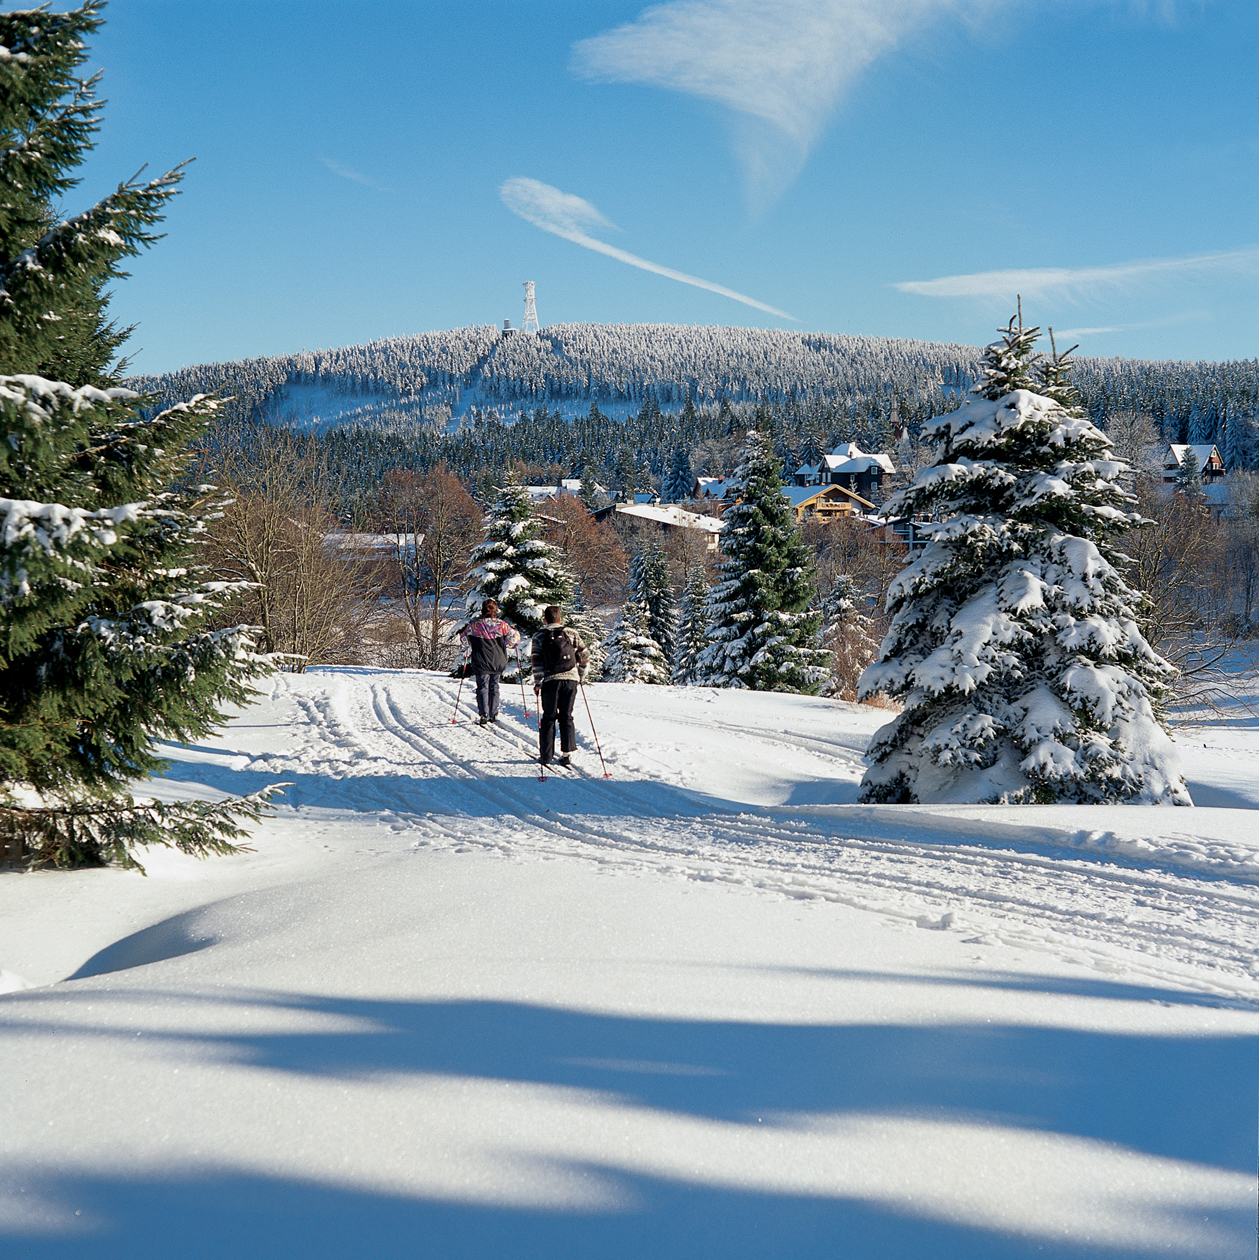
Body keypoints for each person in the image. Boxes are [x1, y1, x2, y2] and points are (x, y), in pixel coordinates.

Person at [530, 604, 590, 768]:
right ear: (560, 619)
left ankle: (546, 756)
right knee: (566, 715)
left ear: (545, 620)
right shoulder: (572, 633)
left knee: (548, 717)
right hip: (571, 680)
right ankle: (567, 754)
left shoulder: (539, 636)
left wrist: (538, 683)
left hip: (550, 680)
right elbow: (585, 657)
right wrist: (580, 676)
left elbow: (536, 662)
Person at [459, 599, 521, 726]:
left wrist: (472, 642)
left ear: (482, 610)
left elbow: (463, 639)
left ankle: (483, 714)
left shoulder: (475, 624)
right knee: (494, 686)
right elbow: (515, 638)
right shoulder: (502, 625)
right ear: (495, 611)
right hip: (498, 660)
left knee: (482, 687)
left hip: (481, 660)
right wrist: (506, 643)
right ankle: (493, 714)